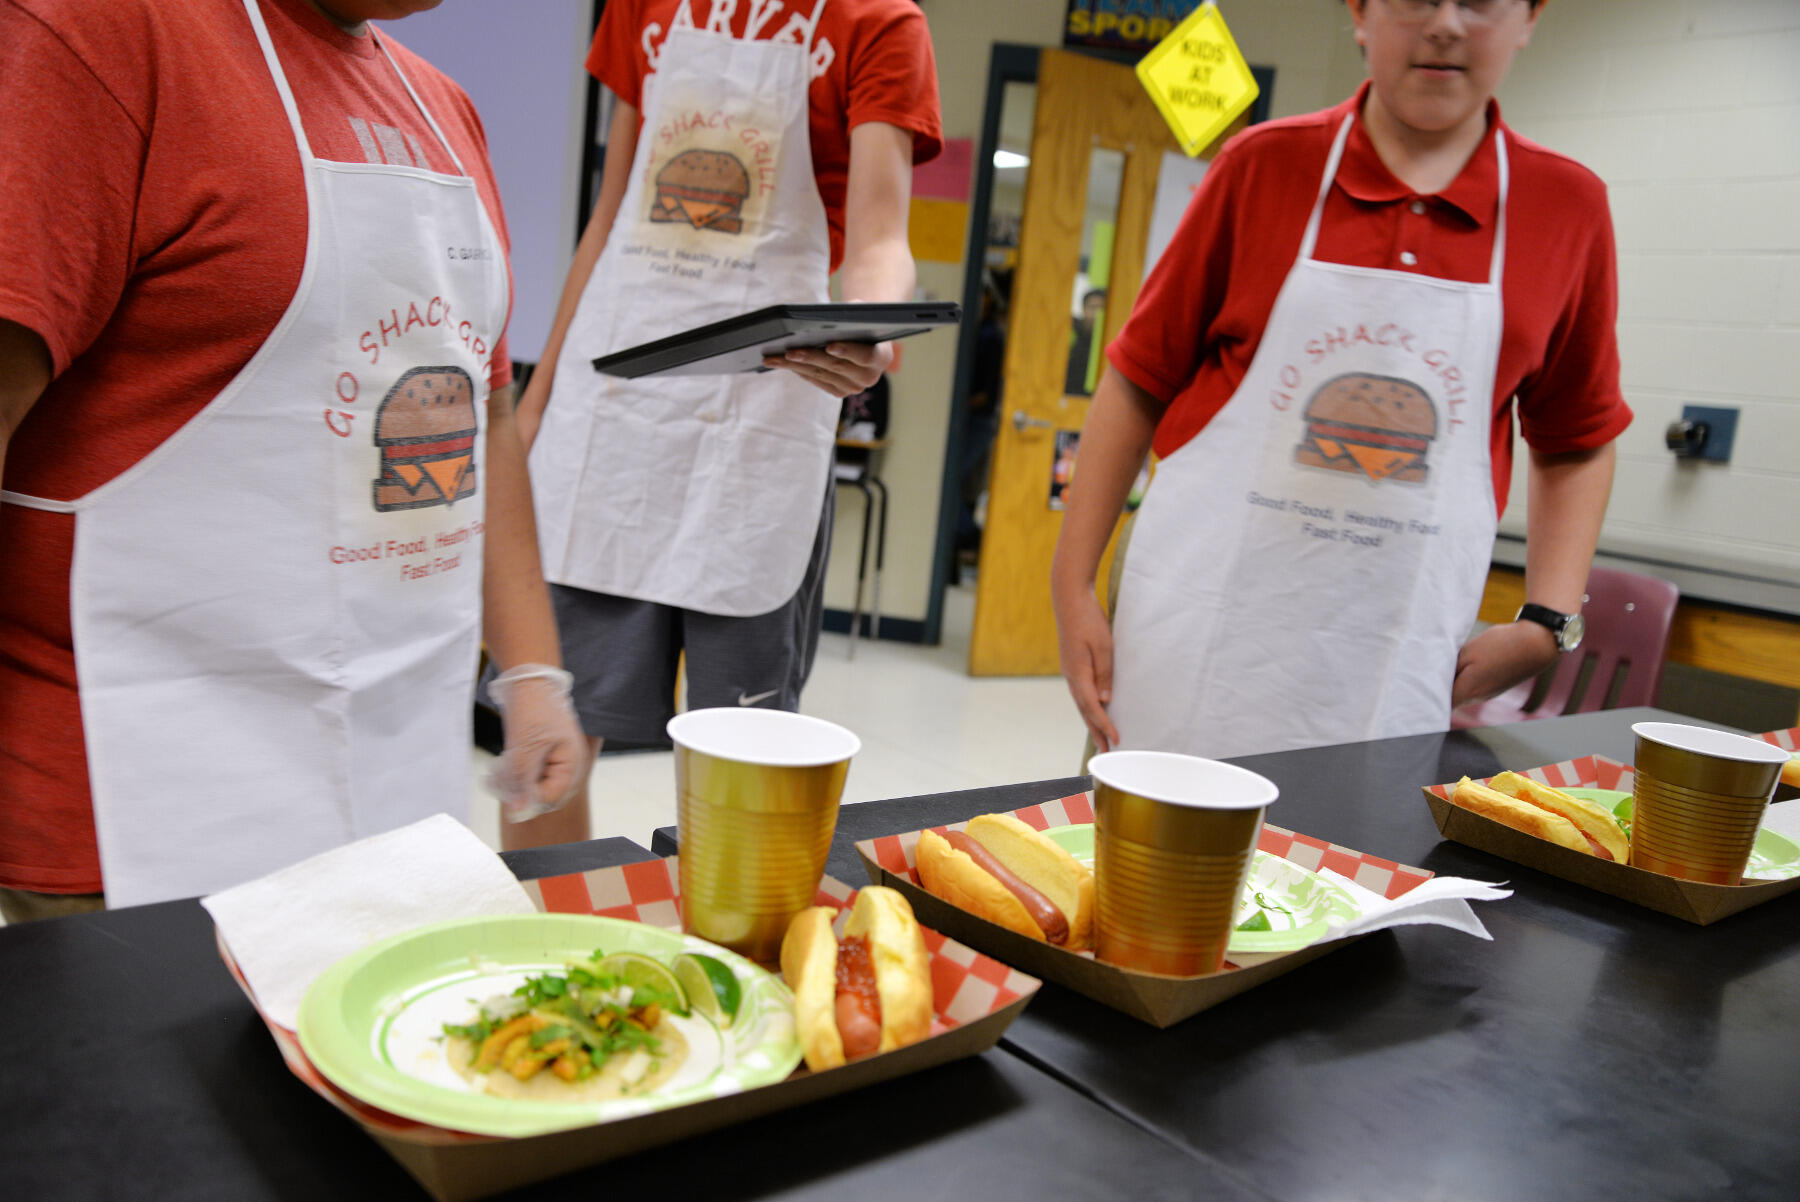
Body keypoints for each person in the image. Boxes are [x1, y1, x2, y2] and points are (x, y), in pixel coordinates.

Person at [0, 0, 589, 919]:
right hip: (133, 807)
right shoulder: (105, 34)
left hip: (394, 790)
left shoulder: (444, 109)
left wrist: (531, 674)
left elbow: (487, 412)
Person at [1052, 0, 1631, 760]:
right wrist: (1073, 586)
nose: (1446, 25)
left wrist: (1548, 621)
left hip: (1389, 648)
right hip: (1192, 617)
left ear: (1530, 17)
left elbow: (1576, 438)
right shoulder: (1261, 166)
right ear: (1359, 12)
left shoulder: (1564, 207)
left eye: (1479, 1)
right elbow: (1138, 379)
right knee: (1153, 828)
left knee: (1351, 832)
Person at [509, 0, 942, 841]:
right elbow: (609, 217)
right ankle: (545, 923)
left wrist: (874, 328)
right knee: (547, 741)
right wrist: (537, 400)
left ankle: (729, 926)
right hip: (611, 415)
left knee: (743, 766)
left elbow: (880, 239)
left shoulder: (879, 21)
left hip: (760, 423)